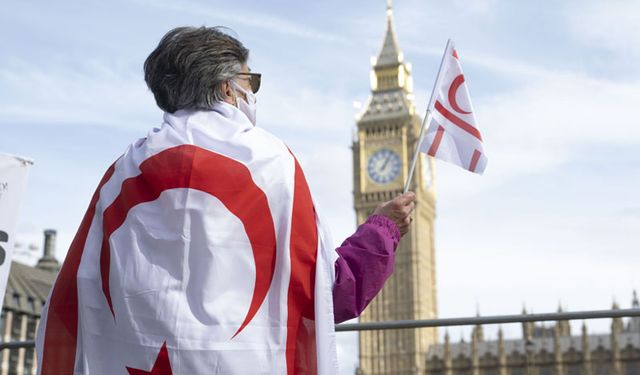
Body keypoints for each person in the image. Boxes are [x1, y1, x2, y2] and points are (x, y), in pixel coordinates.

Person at [36, 26, 415, 375]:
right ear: (227, 88)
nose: (253, 93)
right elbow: (331, 292)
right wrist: (383, 229)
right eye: (252, 81)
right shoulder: (270, 163)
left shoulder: (122, 172)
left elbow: (79, 292)